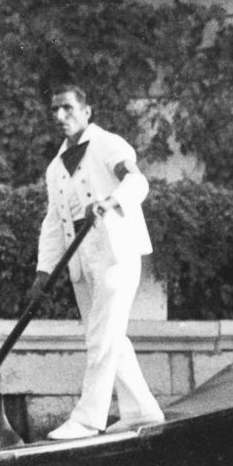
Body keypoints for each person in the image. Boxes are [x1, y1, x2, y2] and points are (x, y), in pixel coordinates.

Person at [38, 83, 165, 440]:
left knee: (101, 336)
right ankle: (142, 410)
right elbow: (53, 222)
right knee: (111, 337)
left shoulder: (109, 144)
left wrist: (111, 202)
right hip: (81, 261)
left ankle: (87, 419)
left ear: (86, 111)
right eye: (55, 110)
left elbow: (137, 181)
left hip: (115, 253)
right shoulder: (55, 167)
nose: (61, 116)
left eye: (68, 108)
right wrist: (43, 272)